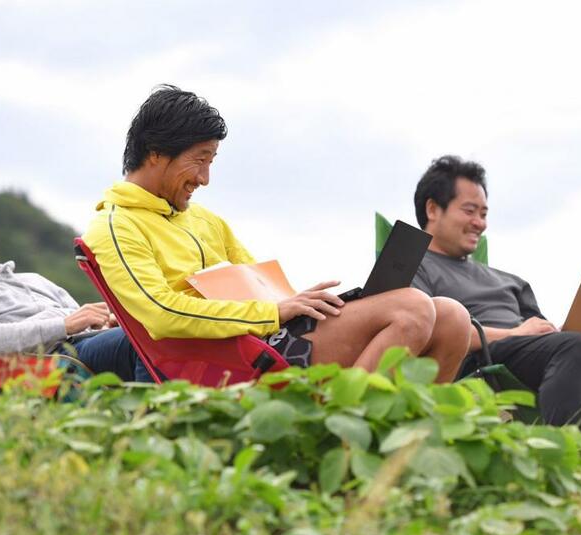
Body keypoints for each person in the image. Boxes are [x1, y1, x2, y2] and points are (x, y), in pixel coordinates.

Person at [83, 85, 471, 382]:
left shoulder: (205, 221)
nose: (204, 178)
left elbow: (259, 286)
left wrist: (299, 301)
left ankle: (407, 448)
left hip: (268, 334)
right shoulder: (117, 226)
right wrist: (274, 311)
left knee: (453, 317)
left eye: (211, 161)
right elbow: (160, 314)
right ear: (155, 153)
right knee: (413, 308)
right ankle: (339, 442)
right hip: (223, 358)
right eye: (199, 160)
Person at [411, 155, 581, 447]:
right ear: (433, 209)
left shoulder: (509, 280)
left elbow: (544, 336)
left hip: (543, 360)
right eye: (470, 211)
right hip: (483, 364)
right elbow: (430, 334)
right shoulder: (416, 267)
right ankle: (573, 467)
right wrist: (516, 333)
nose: (480, 223)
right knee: (572, 345)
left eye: (484, 213)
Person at [0, 211, 143, 381]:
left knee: (153, 331)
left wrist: (104, 325)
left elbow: (80, 324)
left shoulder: (34, 279)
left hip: (80, 349)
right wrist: (63, 325)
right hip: (49, 363)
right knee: (142, 343)